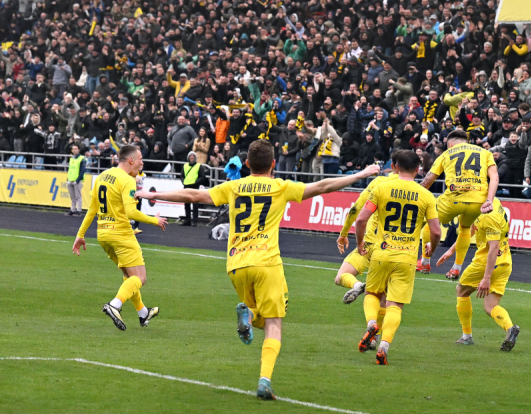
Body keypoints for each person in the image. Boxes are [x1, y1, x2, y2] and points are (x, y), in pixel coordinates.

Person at [138, 140, 379, 399]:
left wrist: (153, 195)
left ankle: (249, 315)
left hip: (236, 264)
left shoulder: (234, 187)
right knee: (274, 323)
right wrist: (361, 174)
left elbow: (193, 195)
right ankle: (264, 381)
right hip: (266, 263)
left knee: (261, 318)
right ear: (273, 164)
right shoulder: (280, 187)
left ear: (247, 164)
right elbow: (322, 186)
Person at [353, 150, 439, 365]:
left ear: (394, 166)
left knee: (372, 293)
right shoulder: (426, 195)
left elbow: (361, 219)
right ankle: (384, 346)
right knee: (395, 304)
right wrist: (431, 248)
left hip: (382, 252)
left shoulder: (381, 188)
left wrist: (360, 243)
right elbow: (436, 232)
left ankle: (371, 324)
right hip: (407, 257)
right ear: (418, 169)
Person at [72, 144, 168, 332]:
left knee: (129, 276)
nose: (142, 163)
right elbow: (131, 212)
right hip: (121, 233)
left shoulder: (102, 176)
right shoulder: (127, 180)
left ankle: (143, 312)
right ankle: (114, 304)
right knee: (140, 277)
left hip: (103, 234)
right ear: (131, 160)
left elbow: (92, 209)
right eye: (140, 159)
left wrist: (80, 235)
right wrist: (154, 220)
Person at [436, 197, 519, 350]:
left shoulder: (489, 216)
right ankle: (510, 328)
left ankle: (467, 337)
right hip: (505, 262)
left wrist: (486, 278)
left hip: (486, 263)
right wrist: (451, 250)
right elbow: (471, 229)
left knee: (462, 291)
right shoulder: (493, 202)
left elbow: (493, 248)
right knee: (490, 306)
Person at [419, 129, 499, 280]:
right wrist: (489, 200)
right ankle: (456, 268)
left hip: (453, 198)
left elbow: (428, 180)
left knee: (430, 221)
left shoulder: (446, 153)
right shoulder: (485, 153)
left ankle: (425, 261)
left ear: (450, 144)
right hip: (478, 200)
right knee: (465, 228)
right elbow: (494, 176)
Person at [334, 169, 399, 327]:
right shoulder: (414, 189)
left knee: (341, 276)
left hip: (368, 244)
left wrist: (343, 233)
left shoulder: (378, 182)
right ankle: (376, 336)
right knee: (383, 297)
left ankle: (357, 285)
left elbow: (356, 209)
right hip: (393, 249)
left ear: (394, 166)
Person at [181, 151, 208, 226]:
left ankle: (195, 221)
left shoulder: (199, 166)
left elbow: (203, 177)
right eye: (190, 156)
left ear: (195, 157)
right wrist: (183, 181)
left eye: (193, 156)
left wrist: (196, 182)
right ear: (188, 157)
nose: (192, 157)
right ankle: (187, 220)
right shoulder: (185, 165)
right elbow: (181, 175)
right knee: (187, 204)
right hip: (186, 186)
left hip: (195, 186)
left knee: (195, 204)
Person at [65, 145, 86, 217]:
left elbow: (82, 170)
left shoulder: (82, 159)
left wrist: (78, 180)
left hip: (77, 180)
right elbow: (70, 169)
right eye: (73, 149)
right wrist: (68, 178)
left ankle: (79, 210)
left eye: (75, 149)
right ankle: (73, 209)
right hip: (70, 179)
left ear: (79, 150)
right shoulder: (71, 158)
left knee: (78, 196)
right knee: (72, 196)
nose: (74, 150)